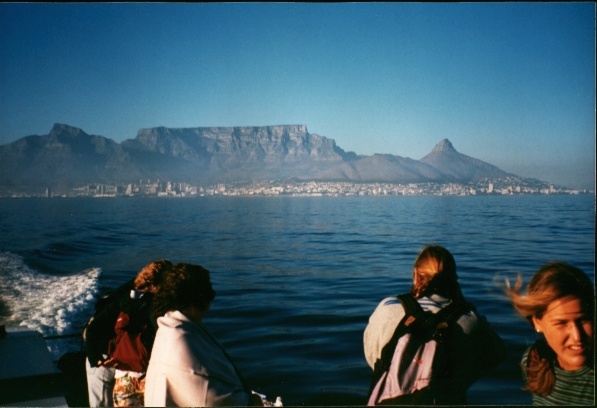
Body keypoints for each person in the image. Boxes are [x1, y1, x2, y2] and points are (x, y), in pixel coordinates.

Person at [364, 244, 506, 404]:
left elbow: (373, 358)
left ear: (416, 276)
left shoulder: (387, 309)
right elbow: (496, 356)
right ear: (454, 280)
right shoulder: (470, 320)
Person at [145, 262, 265, 406]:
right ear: (198, 299)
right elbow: (207, 396)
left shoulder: (168, 328)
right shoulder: (181, 337)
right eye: (209, 295)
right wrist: (248, 402)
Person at [83, 259, 172, 407]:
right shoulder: (143, 302)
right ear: (155, 284)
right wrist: (98, 360)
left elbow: (93, 327)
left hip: (111, 359)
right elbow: (95, 328)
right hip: (109, 358)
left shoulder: (127, 292)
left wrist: (96, 359)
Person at [505, 261, 594, 405]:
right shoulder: (534, 361)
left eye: (584, 320)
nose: (577, 336)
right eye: (561, 323)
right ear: (537, 323)